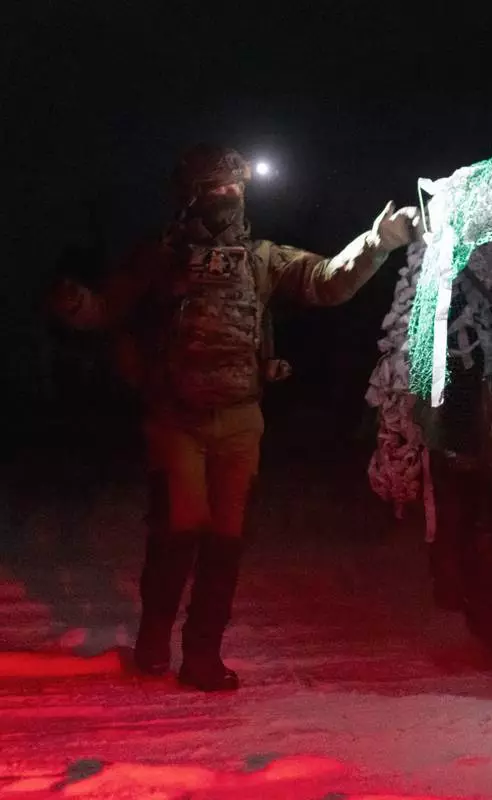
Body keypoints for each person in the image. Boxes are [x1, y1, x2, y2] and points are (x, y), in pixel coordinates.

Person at [50, 144, 419, 691]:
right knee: (180, 528)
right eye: (216, 188)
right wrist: (76, 305)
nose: (229, 196)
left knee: (226, 538)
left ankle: (203, 655)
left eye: (236, 187)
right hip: (176, 417)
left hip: (240, 418)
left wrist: (377, 242)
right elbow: (108, 309)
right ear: (190, 196)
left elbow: (325, 280)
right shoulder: (159, 258)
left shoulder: (260, 258)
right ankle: (154, 639)